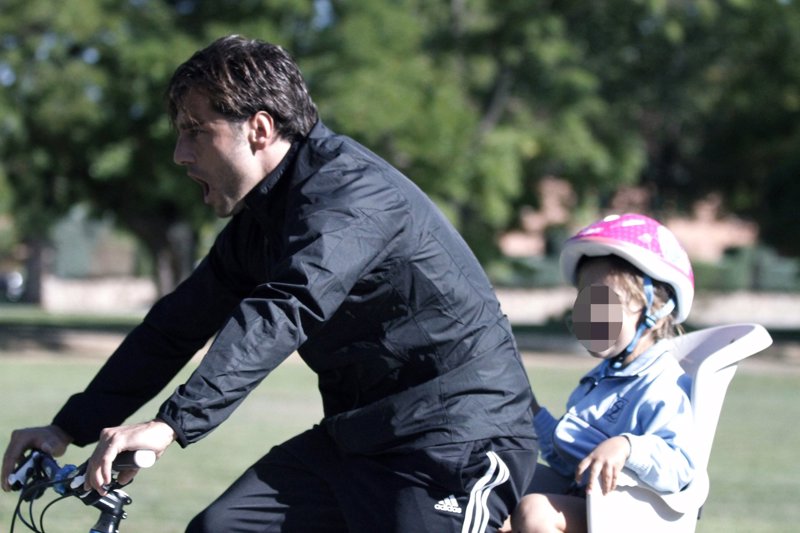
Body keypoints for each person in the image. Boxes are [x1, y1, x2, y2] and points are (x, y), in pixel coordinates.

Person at [1, 35, 538, 532]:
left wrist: (171, 425)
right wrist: (67, 429)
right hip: (359, 438)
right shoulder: (261, 222)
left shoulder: (352, 195)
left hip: (456, 441)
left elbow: (286, 307)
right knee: (222, 527)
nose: (180, 154)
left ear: (259, 128)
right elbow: (174, 328)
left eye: (195, 130)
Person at [504, 213, 697, 533]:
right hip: (591, 505)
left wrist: (627, 446)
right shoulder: (601, 380)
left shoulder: (663, 383)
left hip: (630, 517)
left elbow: (680, 466)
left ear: (656, 311)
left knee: (535, 511)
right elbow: (570, 462)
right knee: (498, 480)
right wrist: (531, 409)